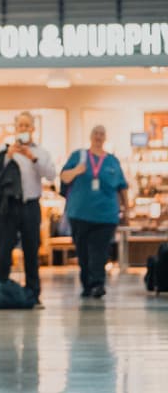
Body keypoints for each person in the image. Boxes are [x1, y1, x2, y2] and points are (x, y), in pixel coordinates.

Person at [0, 112, 56, 300]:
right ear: (15, 129)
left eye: (27, 125)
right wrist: (8, 156)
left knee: (32, 249)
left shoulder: (41, 152)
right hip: (8, 206)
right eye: (20, 126)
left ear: (33, 128)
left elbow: (50, 175)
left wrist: (32, 158)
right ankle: (1, 287)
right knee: (4, 247)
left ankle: (33, 291)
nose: (23, 129)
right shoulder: (3, 150)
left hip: (31, 206)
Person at [59, 125, 129, 298]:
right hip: (80, 214)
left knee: (100, 251)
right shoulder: (79, 156)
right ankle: (86, 284)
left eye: (101, 134)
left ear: (105, 138)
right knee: (83, 252)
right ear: (90, 137)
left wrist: (126, 209)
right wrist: (77, 170)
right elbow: (64, 177)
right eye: (95, 133)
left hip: (106, 215)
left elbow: (122, 186)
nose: (98, 137)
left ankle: (98, 284)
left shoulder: (112, 161)